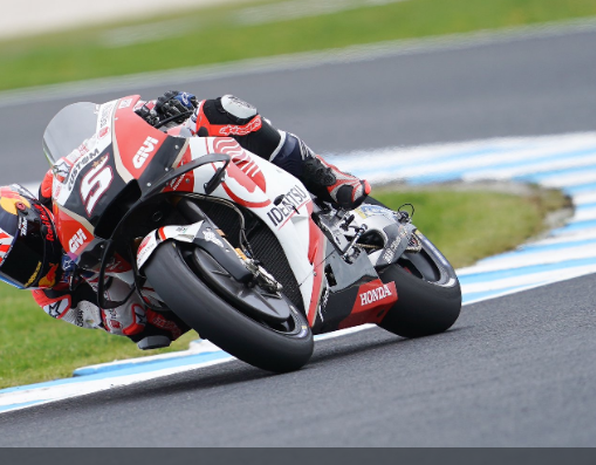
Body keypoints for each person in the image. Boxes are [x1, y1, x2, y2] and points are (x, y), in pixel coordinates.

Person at [0, 91, 371, 350]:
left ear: (33, 217)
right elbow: (127, 325)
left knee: (224, 112)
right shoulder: (55, 298)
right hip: (159, 284)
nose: (29, 268)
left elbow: (108, 131)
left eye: (24, 253)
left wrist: (155, 112)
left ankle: (328, 177)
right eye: (14, 272)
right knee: (149, 334)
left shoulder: (56, 186)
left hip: (155, 183)